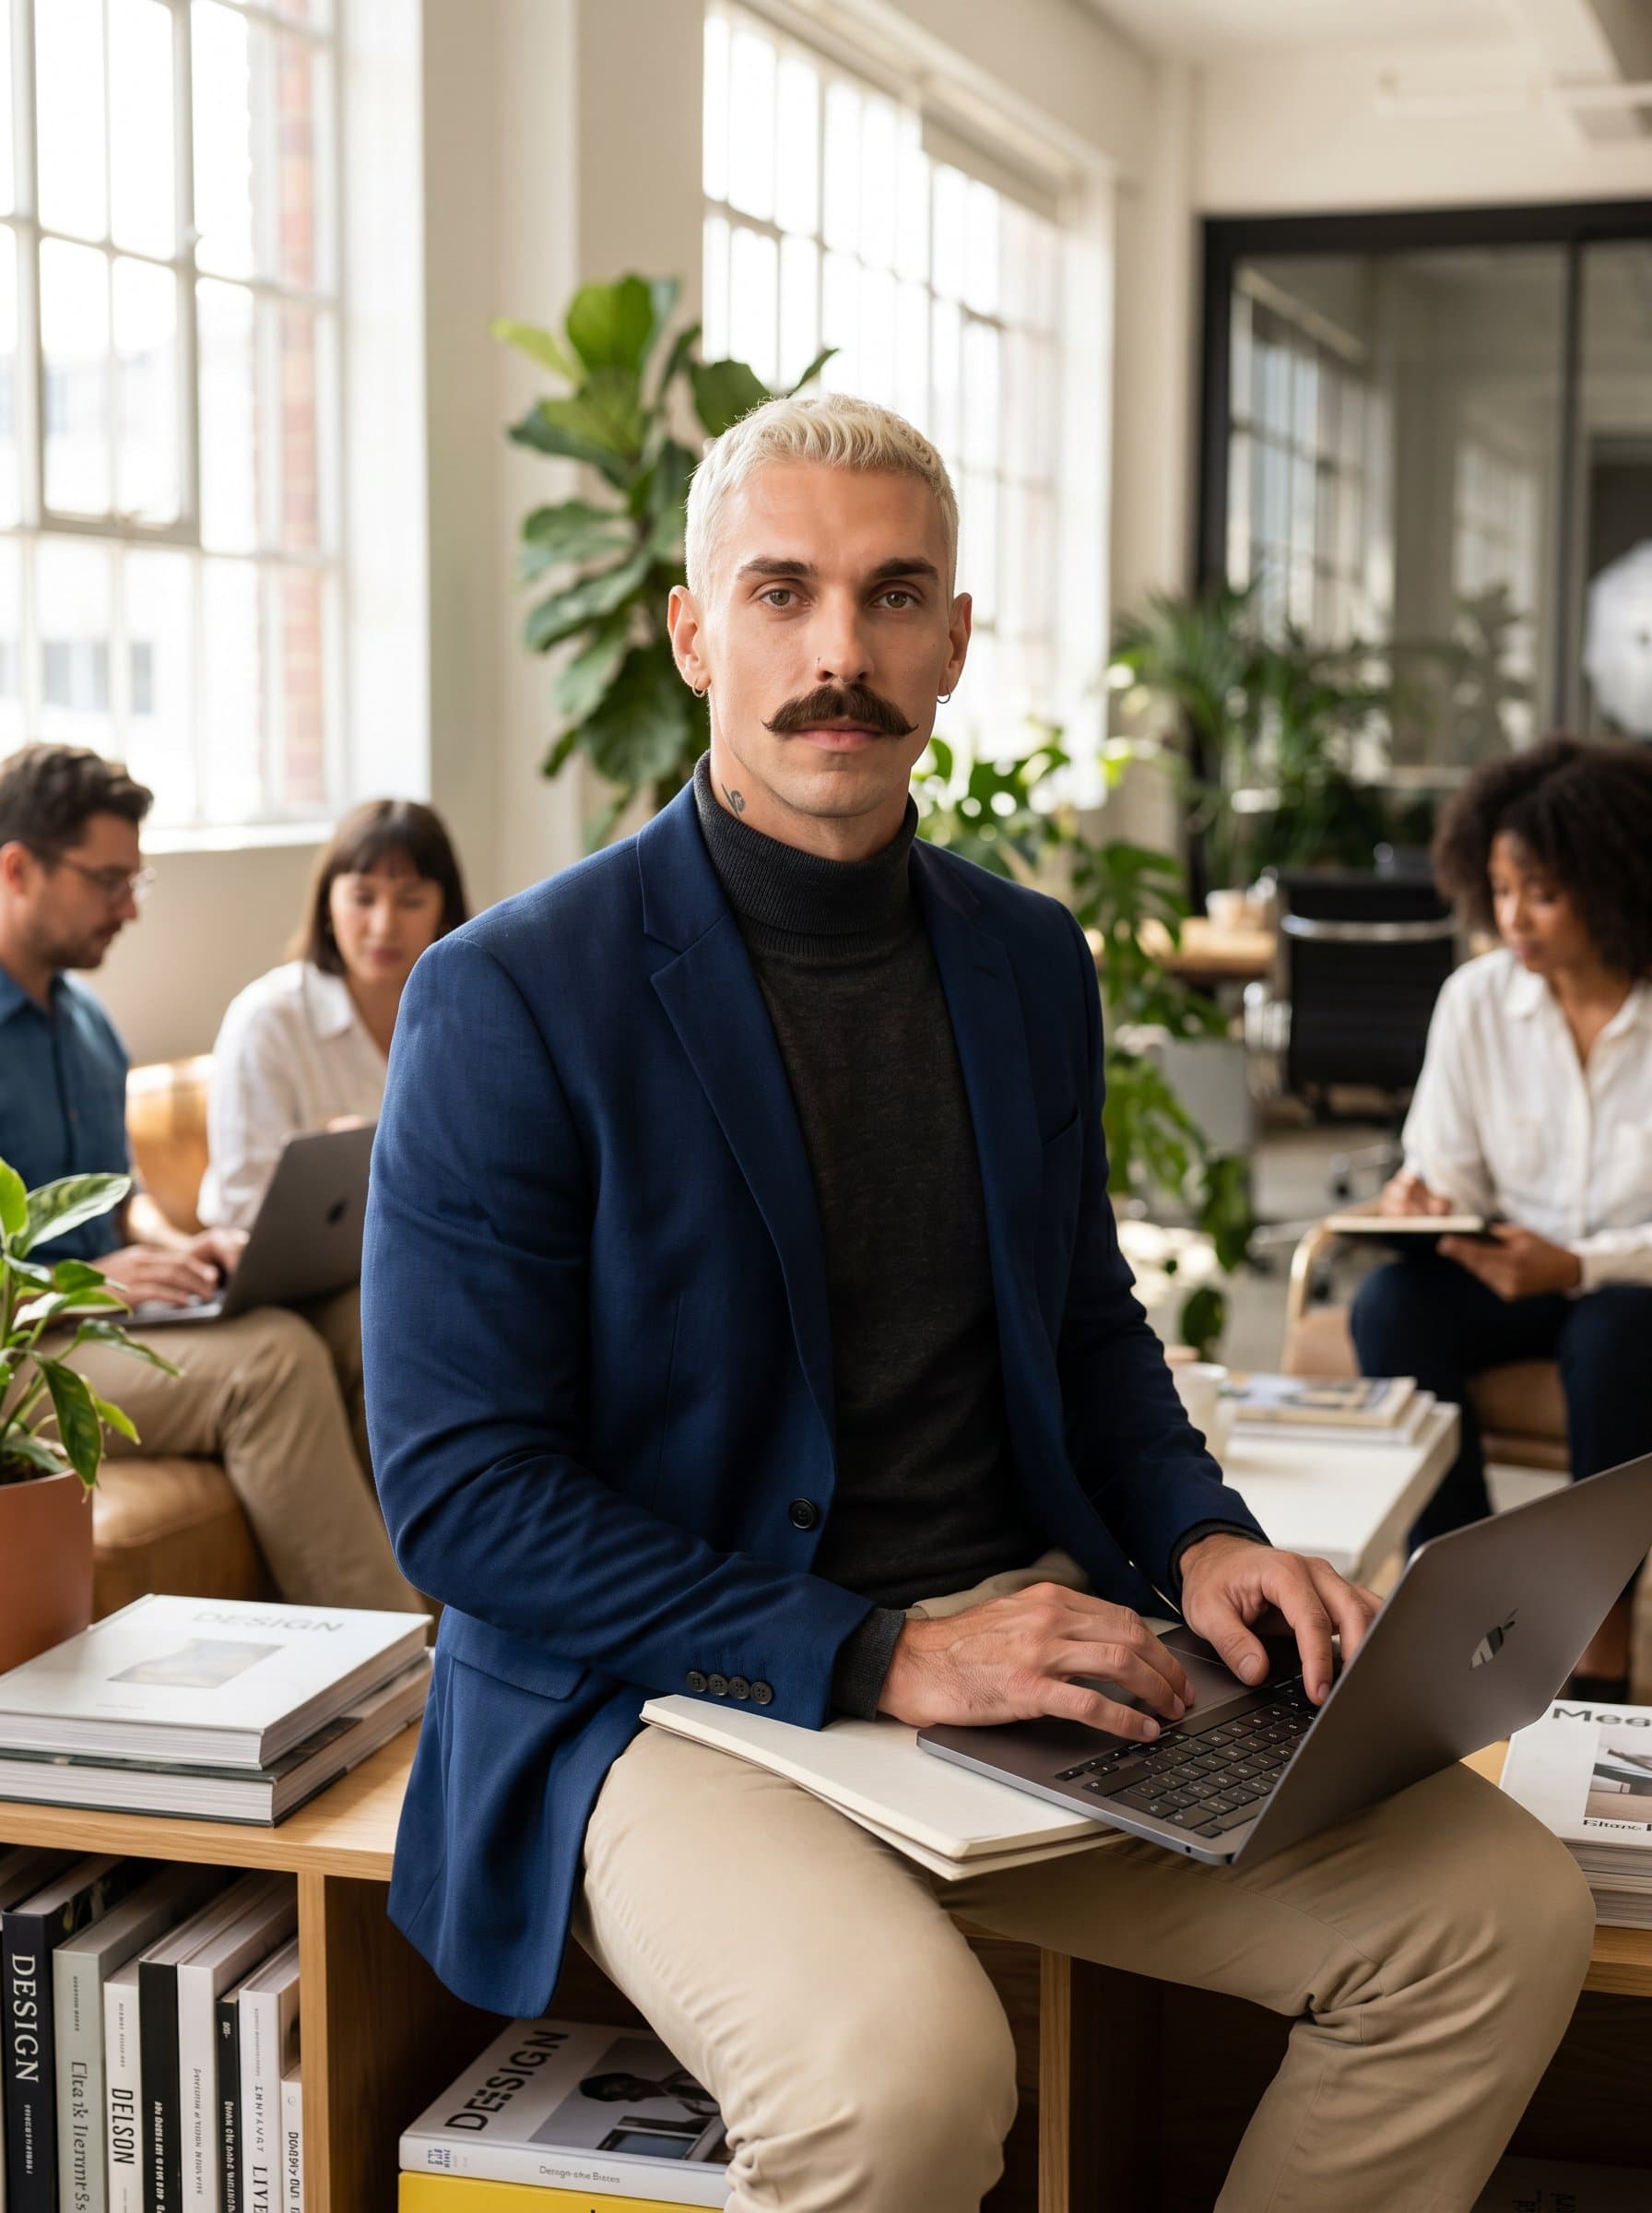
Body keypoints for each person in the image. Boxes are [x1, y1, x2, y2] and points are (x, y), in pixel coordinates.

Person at [363, 396, 1592, 2213]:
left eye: (890, 595)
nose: (837, 652)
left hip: (1026, 1668)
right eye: (780, 593)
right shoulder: (507, 996)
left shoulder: (1024, 960)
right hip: (666, 1694)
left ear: (954, 637)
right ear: (695, 632)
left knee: (1495, 1918)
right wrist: (875, 1652)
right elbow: (459, 1500)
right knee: (902, 2084)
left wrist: (1196, 1538)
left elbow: (1080, 1321)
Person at [0, 742, 420, 1612]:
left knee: (362, 1320)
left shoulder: (85, 1025)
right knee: (270, 1363)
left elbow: (118, 1201)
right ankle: (404, 1680)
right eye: (109, 881)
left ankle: (472, 1626)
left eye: (135, 883)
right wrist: (68, 1285)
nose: (130, 909)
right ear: (17, 869)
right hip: (20, 1347)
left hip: (102, 1318)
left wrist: (186, 1246)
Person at [1351, 735, 1652, 1696]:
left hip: (1628, 1287)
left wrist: (1578, 1268)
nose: (1512, 919)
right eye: (1501, 888)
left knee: (1614, 1338)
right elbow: (1449, 1170)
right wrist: (1423, 1201)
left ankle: (1601, 1630)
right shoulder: (1476, 1000)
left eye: (1543, 893)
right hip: (1510, 1269)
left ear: (1614, 886)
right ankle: (1472, 1590)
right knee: (1389, 1307)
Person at [199, 799, 468, 1231]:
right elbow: (241, 1203)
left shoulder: (467, 1014)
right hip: (294, 1268)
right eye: (363, 899)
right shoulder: (268, 1018)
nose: (383, 925)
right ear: (328, 904)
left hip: (427, 1252)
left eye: (411, 901)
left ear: (444, 912)